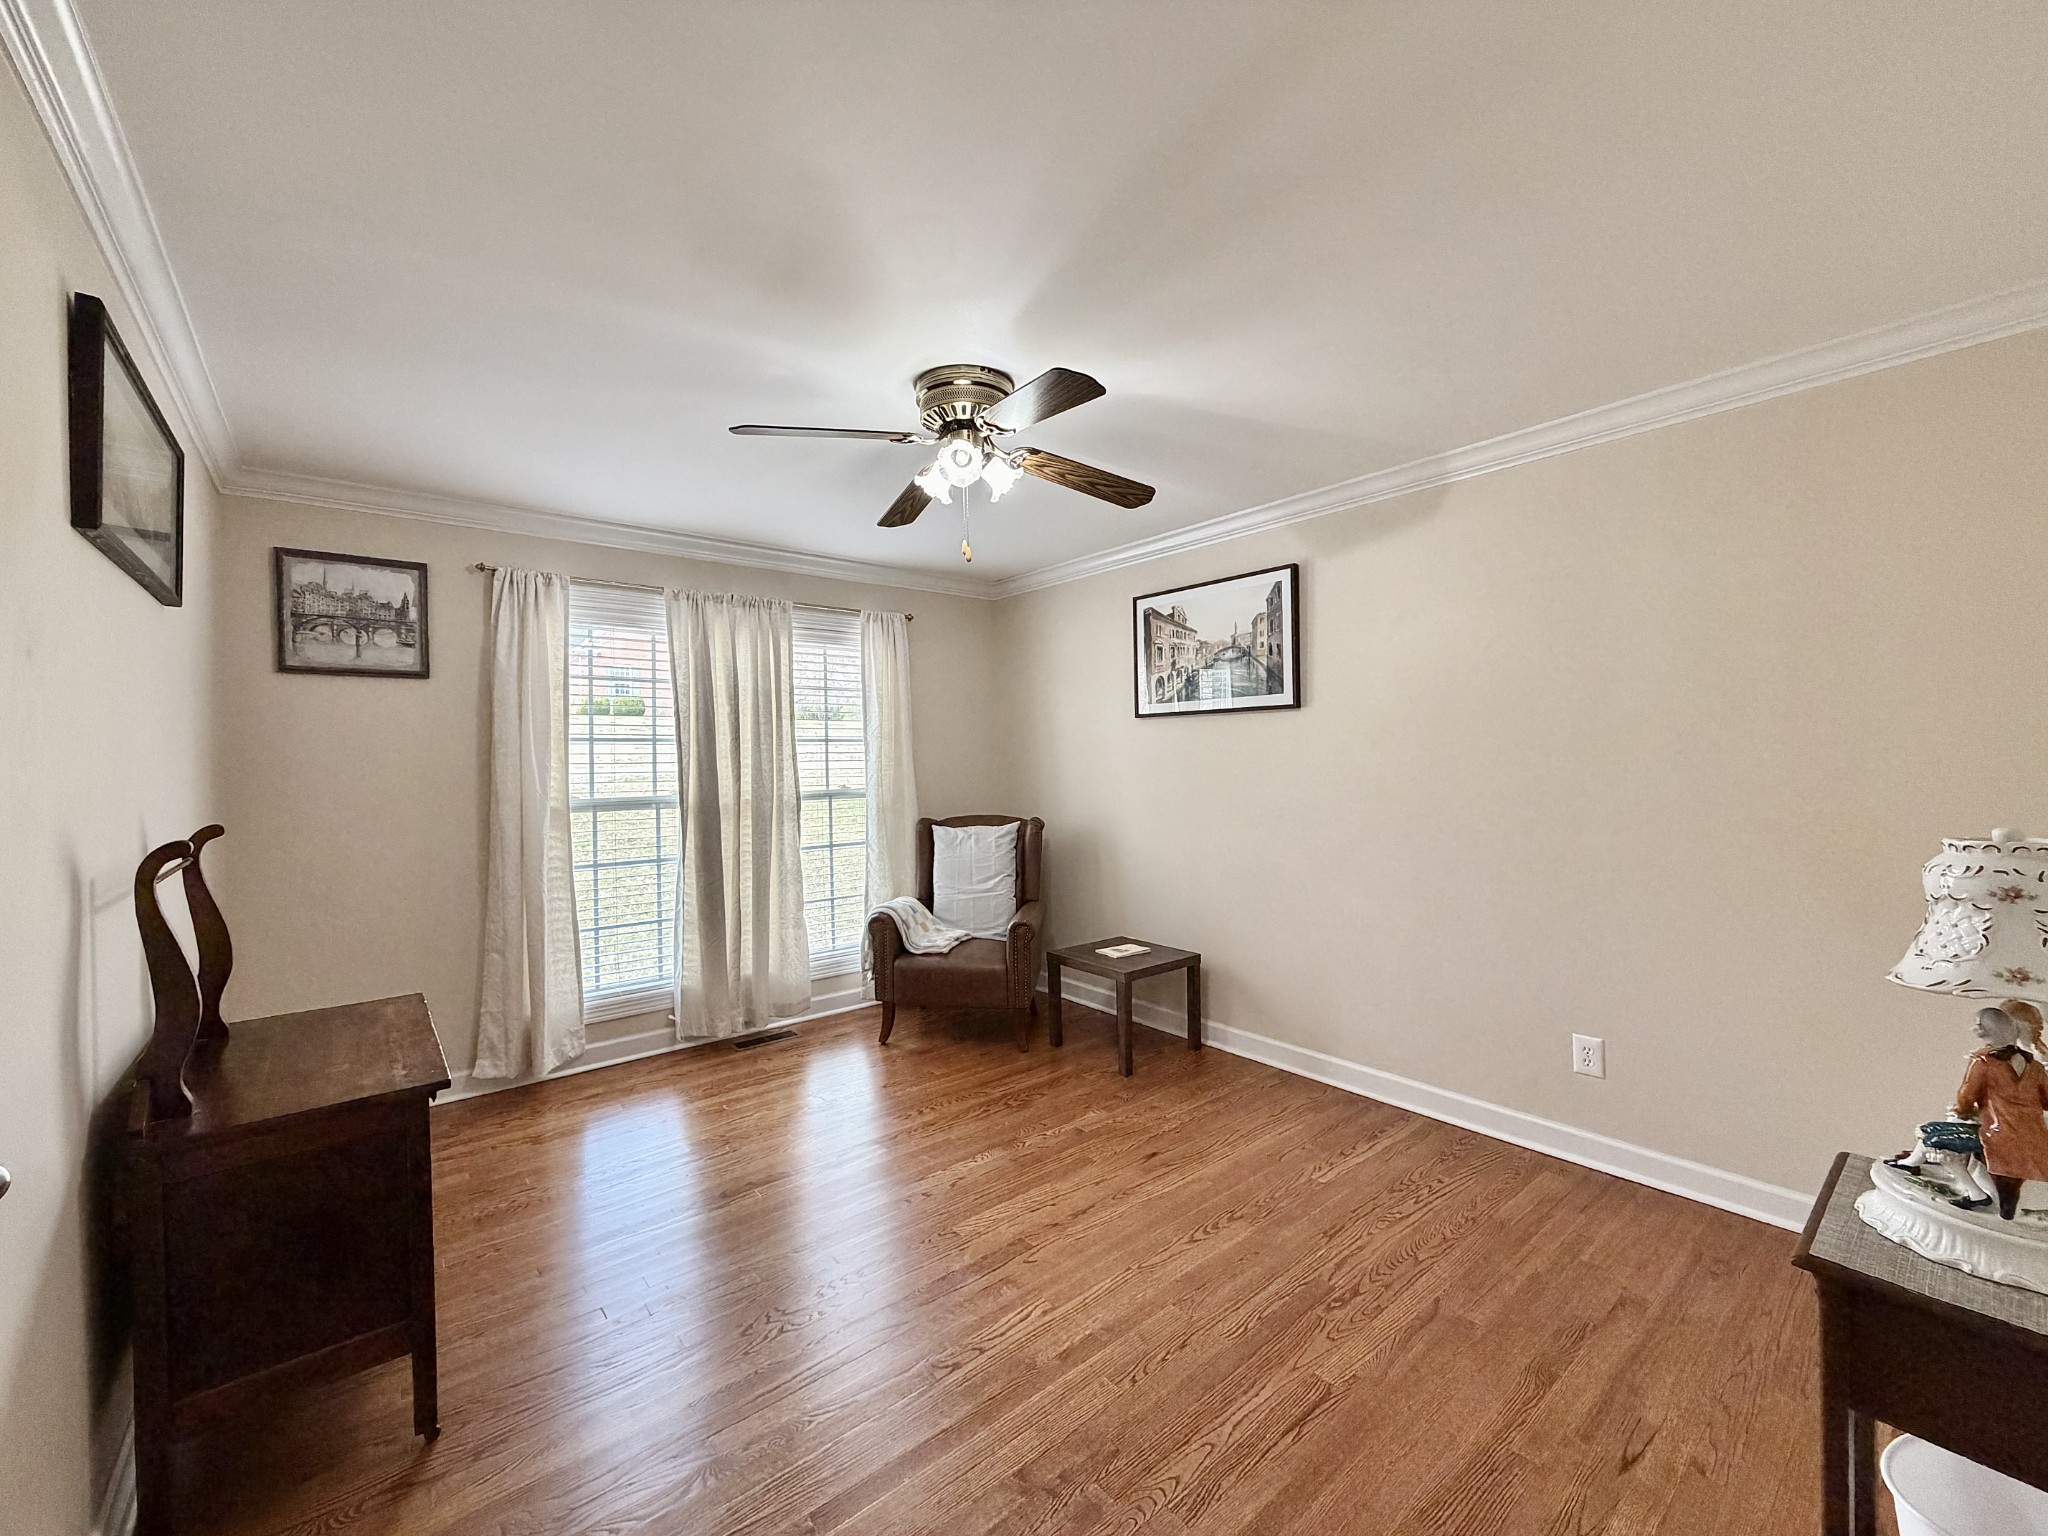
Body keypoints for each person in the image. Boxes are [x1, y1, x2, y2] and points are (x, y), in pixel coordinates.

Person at [1950, 1002, 2048, 1219]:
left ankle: (1988, 1203)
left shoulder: (1983, 1062)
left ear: (1983, 1029)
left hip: (1999, 1136)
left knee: (1949, 1144)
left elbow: (1966, 1097)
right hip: (2034, 1138)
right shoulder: (2036, 1066)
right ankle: (2002, 1209)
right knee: (2008, 1189)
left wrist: (1962, 1112)